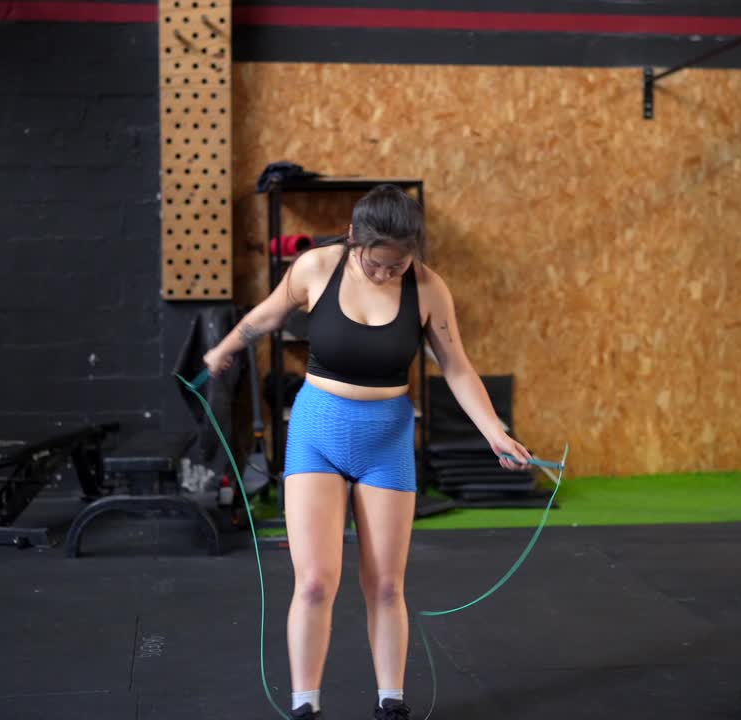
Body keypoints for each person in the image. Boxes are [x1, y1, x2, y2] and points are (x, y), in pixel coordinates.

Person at [202, 184, 531, 720]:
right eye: (377, 265)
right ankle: (305, 704)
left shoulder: (428, 288)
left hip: (386, 439)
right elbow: (266, 315)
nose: (385, 275)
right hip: (317, 433)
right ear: (354, 238)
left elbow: (456, 365)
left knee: (385, 584)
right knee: (313, 583)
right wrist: (223, 348)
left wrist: (494, 431)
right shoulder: (316, 268)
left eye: (397, 267)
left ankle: (391, 702)